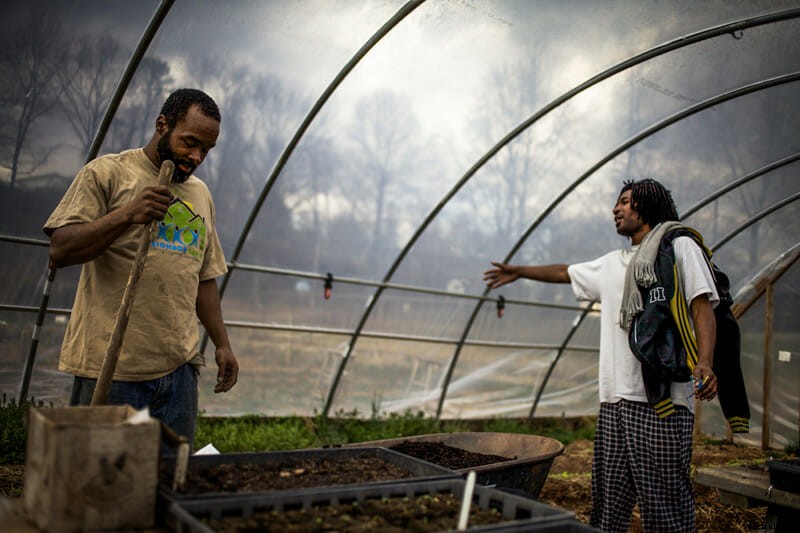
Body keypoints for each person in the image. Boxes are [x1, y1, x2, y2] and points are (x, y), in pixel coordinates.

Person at [484, 179, 718, 533]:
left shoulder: (680, 246)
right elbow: (566, 272)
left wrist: (704, 361)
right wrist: (519, 271)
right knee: (609, 505)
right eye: (617, 202)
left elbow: (701, 305)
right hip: (613, 403)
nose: (615, 209)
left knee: (665, 505)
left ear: (647, 206)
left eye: (625, 201)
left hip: (660, 402)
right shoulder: (613, 263)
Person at [44, 88, 238, 447]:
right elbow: (61, 249)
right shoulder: (108, 173)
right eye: (189, 142)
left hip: (179, 372)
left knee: (166, 485)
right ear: (162, 125)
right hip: (112, 368)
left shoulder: (199, 194)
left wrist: (222, 344)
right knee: (104, 482)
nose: (195, 156)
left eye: (206, 150)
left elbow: (203, 278)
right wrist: (127, 215)